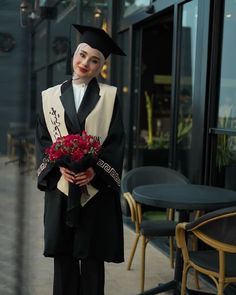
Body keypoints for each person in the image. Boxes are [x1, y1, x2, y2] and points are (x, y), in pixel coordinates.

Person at [35, 24, 126, 295]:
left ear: (101, 66)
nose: (85, 62)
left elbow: (116, 141)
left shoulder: (110, 97)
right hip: (61, 186)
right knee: (63, 259)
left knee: (91, 259)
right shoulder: (49, 96)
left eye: (94, 59)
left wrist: (94, 173)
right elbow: (42, 139)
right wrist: (60, 167)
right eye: (82, 54)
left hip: (94, 191)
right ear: (74, 53)